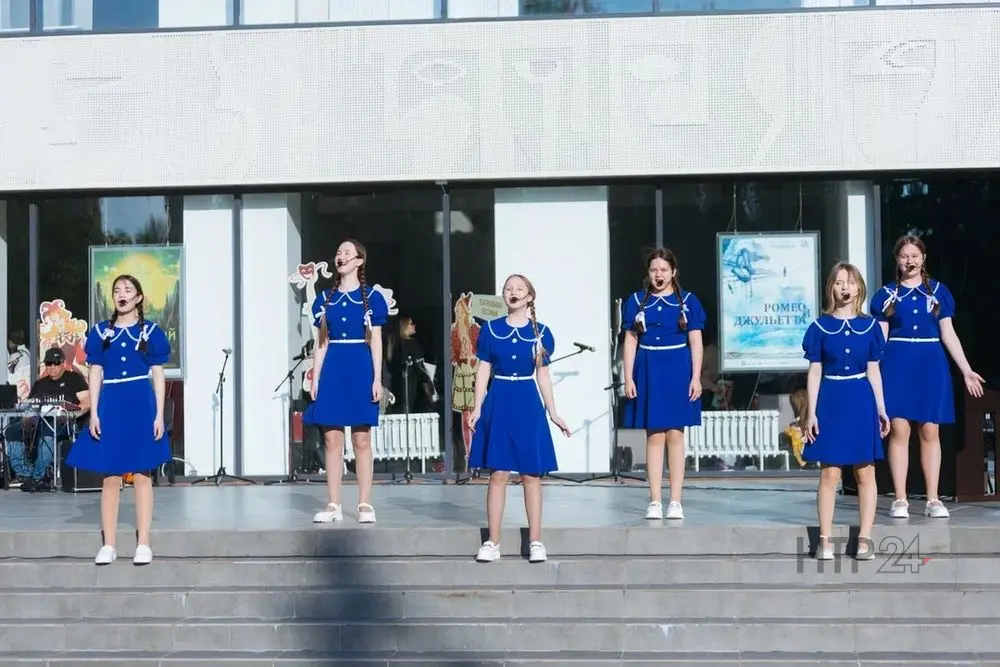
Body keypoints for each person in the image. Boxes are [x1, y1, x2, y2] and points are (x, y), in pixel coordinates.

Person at [870, 235, 984, 519]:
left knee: (930, 430)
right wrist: (870, 371)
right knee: (899, 431)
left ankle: (933, 499)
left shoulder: (939, 292)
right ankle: (900, 498)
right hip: (896, 365)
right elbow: (880, 338)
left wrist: (966, 369)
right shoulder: (886, 295)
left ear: (923, 258)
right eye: (904, 256)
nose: (909, 261)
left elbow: (948, 333)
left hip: (930, 365)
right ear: (897, 260)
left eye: (914, 255)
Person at [65, 274, 172, 566]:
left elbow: (158, 375)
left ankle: (143, 543)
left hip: (140, 403)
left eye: (127, 290)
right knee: (110, 476)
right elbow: (95, 373)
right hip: (111, 403)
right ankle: (109, 544)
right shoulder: (101, 332)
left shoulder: (151, 332)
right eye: (116, 290)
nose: (121, 294)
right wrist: (94, 412)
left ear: (138, 297)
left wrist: (159, 414)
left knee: (142, 474)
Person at [468, 274, 570, 564]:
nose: (513, 292)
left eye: (519, 289)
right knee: (498, 473)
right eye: (508, 289)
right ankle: (493, 542)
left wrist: (553, 412)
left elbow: (543, 375)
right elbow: (483, 370)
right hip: (499, 400)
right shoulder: (491, 329)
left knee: (531, 474)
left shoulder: (541, 333)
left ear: (529, 297)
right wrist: (477, 407)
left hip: (527, 402)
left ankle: (536, 541)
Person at [802, 262, 890, 561]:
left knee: (865, 471)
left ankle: (865, 538)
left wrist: (881, 408)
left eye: (850, 282)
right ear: (831, 288)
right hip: (831, 399)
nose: (845, 288)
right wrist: (811, 413)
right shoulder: (819, 327)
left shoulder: (870, 327)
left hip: (861, 399)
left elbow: (874, 370)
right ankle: (825, 540)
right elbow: (815, 372)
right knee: (830, 473)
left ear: (859, 288)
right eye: (839, 282)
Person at [306, 239, 388, 525]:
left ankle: (365, 503)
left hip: (360, 366)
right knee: (332, 438)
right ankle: (333, 504)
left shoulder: (372, 297)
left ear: (359, 261)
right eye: (338, 252)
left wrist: (377, 378)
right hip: (333, 368)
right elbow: (321, 342)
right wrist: (316, 376)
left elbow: (376, 339)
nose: (340, 257)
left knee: (361, 438)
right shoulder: (324, 299)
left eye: (346, 253)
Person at [622, 248, 706, 520]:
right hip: (649, 368)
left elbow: (696, 341)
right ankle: (655, 500)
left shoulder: (688, 301)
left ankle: (676, 500)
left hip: (678, 368)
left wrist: (696, 377)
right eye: (654, 270)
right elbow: (631, 340)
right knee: (654, 435)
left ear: (673, 272)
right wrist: (628, 377)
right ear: (648, 273)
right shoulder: (636, 301)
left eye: (663, 270)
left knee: (675, 434)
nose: (659, 275)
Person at [4, 347, 89, 491]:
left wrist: (72, 415)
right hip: (37, 421)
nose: (52, 367)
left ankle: (38, 477)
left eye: (56, 363)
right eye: (49, 363)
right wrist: (27, 416)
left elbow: (87, 402)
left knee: (48, 433)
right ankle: (24, 473)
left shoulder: (75, 379)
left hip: (64, 423)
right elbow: (31, 405)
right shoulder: (40, 383)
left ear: (63, 363)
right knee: (12, 431)